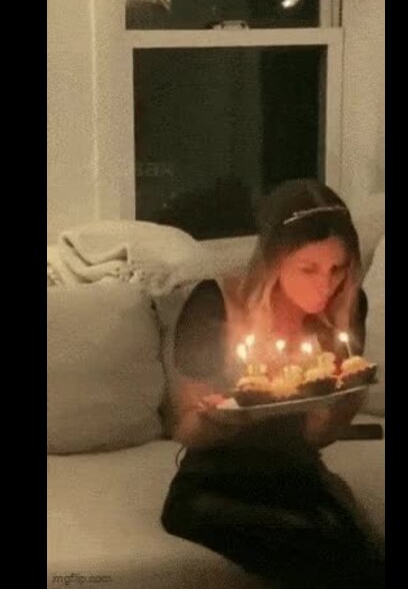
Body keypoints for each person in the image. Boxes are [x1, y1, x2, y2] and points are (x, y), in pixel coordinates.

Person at [160, 179, 384, 588]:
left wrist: (348, 399)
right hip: (214, 483)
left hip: (295, 471)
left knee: (360, 548)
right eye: (308, 269)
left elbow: (315, 436)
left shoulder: (345, 307)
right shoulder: (215, 303)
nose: (325, 285)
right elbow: (186, 430)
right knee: (323, 551)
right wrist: (223, 419)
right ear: (273, 261)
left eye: (337, 268)